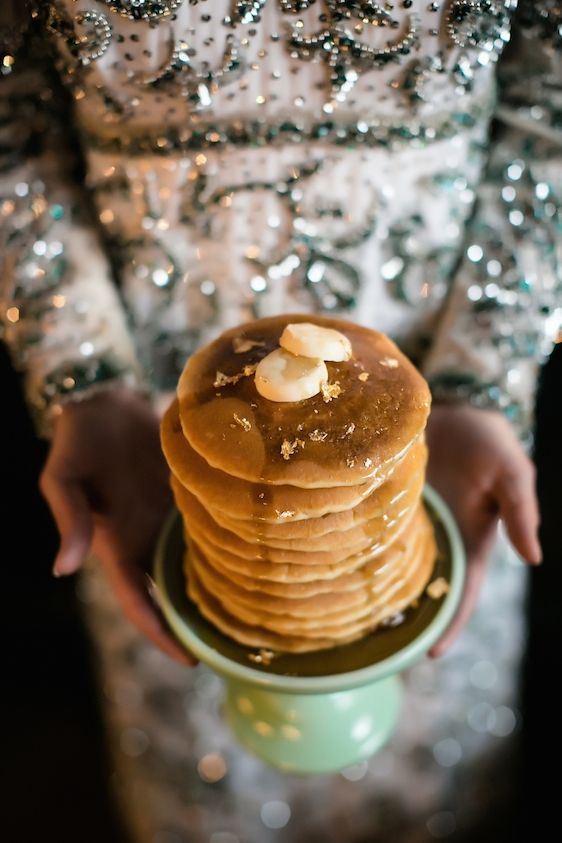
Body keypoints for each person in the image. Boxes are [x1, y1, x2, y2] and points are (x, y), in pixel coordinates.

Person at [1, 1, 559, 840]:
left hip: (434, 448)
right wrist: (83, 373)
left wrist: (485, 378)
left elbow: (548, 117)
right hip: (156, 466)